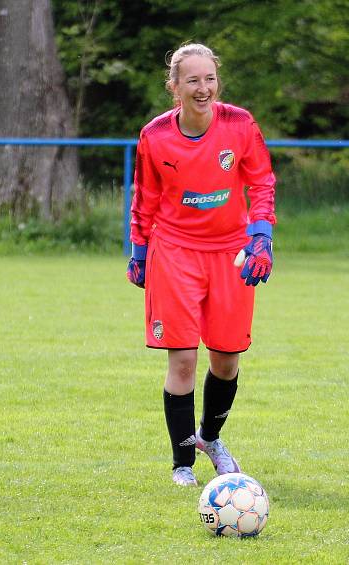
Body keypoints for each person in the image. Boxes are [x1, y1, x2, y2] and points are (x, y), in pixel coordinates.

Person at [126, 43, 276, 487]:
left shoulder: (240, 124)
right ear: (174, 87)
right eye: (192, 80)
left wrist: (261, 238)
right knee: (184, 359)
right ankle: (182, 464)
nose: (203, 88)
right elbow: (145, 197)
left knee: (227, 360)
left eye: (209, 79)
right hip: (174, 251)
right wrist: (138, 250)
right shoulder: (155, 136)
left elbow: (261, 182)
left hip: (230, 251)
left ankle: (210, 438)